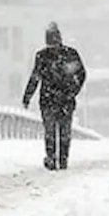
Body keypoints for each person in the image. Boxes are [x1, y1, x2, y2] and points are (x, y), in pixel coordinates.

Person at [22, 22, 86, 171]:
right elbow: (81, 74)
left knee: (51, 131)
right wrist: (73, 90)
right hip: (65, 100)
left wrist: (28, 96)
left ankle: (53, 158)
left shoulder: (42, 56)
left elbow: (35, 78)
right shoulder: (70, 54)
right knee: (63, 131)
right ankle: (61, 159)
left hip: (49, 100)